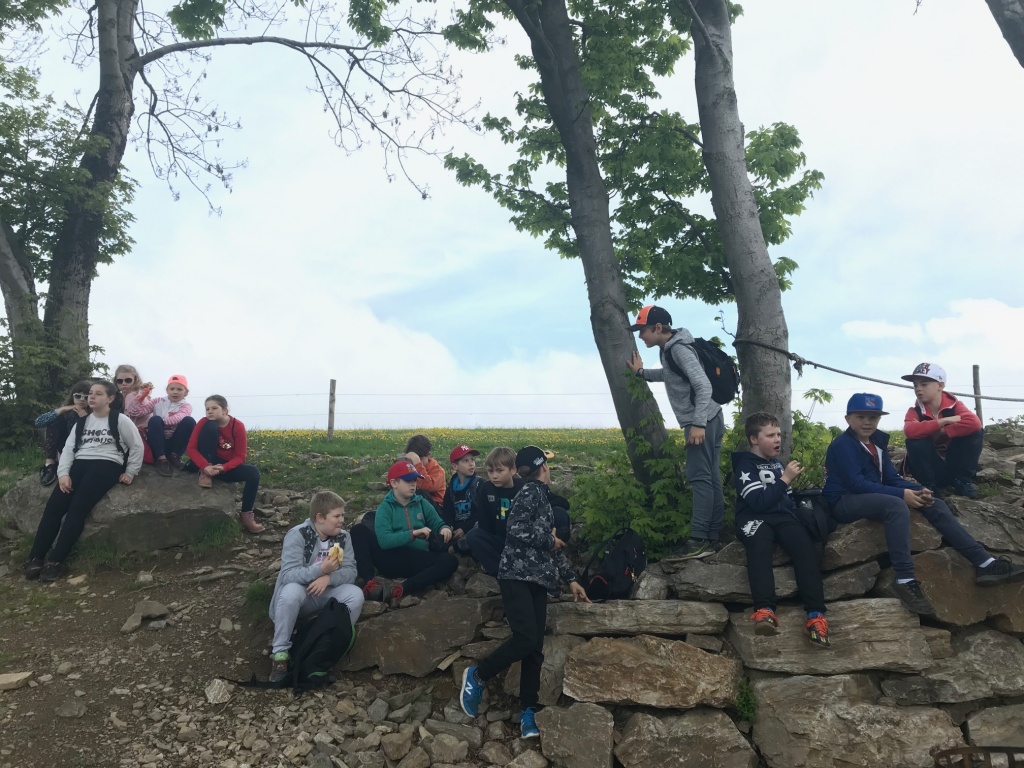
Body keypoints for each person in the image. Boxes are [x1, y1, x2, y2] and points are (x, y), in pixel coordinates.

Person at [824, 393, 1024, 615]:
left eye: (873, 417)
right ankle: (904, 579)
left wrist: (918, 490)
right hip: (843, 500)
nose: (867, 422)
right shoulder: (843, 444)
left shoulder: (877, 442)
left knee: (934, 502)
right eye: (860, 417)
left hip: (871, 496)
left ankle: (985, 563)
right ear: (848, 419)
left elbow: (890, 478)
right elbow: (856, 483)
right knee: (896, 506)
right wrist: (902, 494)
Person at [460, 446, 590, 739]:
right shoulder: (530, 492)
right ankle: (479, 675)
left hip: (538, 579)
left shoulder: (540, 496)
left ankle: (528, 711)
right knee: (526, 638)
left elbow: (550, 546)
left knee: (535, 648)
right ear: (544, 467)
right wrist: (549, 541)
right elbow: (516, 529)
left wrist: (571, 580)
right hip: (516, 575)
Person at [627, 304, 724, 559]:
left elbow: (703, 386)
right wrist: (641, 373)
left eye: (643, 330)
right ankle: (713, 537)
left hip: (701, 421)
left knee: (699, 478)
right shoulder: (671, 349)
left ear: (658, 327)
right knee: (711, 478)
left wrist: (698, 424)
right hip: (712, 417)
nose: (640, 336)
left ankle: (698, 541)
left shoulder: (678, 349)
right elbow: (671, 375)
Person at [23, 380, 143, 581]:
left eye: (98, 394)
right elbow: (69, 449)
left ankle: (55, 560)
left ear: (110, 398)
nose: (91, 397)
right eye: (90, 393)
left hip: (106, 464)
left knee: (77, 509)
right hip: (79, 464)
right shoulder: (83, 422)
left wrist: (130, 472)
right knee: (54, 507)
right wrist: (63, 474)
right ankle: (35, 557)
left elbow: (137, 446)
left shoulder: (120, 420)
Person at [733, 413, 830, 648]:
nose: (777, 439)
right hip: (753, 517)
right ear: (754, 439)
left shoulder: (777, 463)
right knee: (760, 544)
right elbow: (758, 502)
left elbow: (785, 500)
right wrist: (785, 479)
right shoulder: (745, 465)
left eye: (779, 434)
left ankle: (816, 615)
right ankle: (765, 611)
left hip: (782, 518)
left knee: (804, 546)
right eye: (770, 435)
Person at [267, 491, 364, 684]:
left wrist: (328, 578)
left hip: (326, 593)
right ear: (320, 517)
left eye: (343, 515)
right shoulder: (298, 535)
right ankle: (280, 655)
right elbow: (288, 575)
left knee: (355, 594)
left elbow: (351, 571)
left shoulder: (344, 537)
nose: (342, 520)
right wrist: (320, 570)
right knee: (290, 592)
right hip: (301, 594)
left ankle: (324, 653)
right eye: (337, 516)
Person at [466, 446, 572, 576]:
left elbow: (558, 501)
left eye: (499, 471)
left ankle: (547, 560)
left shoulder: (523, 486)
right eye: (490, 471)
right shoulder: (486, 489)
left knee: (559, 513)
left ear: (513, 470)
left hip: (526, 539)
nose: (494, 476)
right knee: (474, 535)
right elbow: (484, 523)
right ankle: (500, 571)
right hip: (502, 540)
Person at [373, 460, 458, 606]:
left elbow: (437, 522)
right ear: (394, 483)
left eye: (415, 480)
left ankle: (403, 588)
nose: (413, 485)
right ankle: (408, 585)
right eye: (408, 481)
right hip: (395, 556)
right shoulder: (385, 508)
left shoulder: (422, 502)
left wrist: (444, 528)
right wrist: (413, 534)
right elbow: (384, 541)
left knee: (450, 561)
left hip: (419, 555)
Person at [902, 362, 984, 500]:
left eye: (924, 384)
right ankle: (929, 486)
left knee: (975, 433)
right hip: (933, 468)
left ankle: (963, 480)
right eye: (915, 385)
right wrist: (943, 421)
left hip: (954, 463)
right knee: (915, 442)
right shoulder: (914, 411)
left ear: (940, 385)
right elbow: (910, 431)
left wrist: (942, 431)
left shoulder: (955, 406)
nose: (918, 389)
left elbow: (974, 423)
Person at [185, 395, 264, 534]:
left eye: (214, 408)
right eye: (207, 409)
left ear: (224, 410)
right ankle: (205, 474)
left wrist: (223, 468)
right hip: (206, 462)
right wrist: (205, 466)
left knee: (253, 473)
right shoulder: (204, 422)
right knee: (210, 426)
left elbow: (240, 456)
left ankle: (246, 514)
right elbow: (191, 449)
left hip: (224, 467)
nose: (210, 411)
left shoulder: (237, 425)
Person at [128, 374, 196, 476]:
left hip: (174, 441)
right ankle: (161, 458)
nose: (175, 392)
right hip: (158, 441)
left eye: (179, 389)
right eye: (172, 389)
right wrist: (141, 396)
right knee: (155, 419)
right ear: (167, 390)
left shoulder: (186, 406)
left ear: (186, 392)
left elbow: (178, 418)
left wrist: (159, 424)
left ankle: (175, 456)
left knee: (189, 421)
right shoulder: (157, 401)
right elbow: (135, 412)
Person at [34, 379, 93, 487]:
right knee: (55, 420)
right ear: (72, 396)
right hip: (64, 446)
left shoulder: (95, 413)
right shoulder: (67, 411)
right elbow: (38, 422)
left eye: (86, 397)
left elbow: (93, 435)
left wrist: (84, 418)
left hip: (84, 449)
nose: (81, 400)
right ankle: (49, 465)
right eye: (78, 396)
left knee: (71, 416)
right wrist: (62, 409)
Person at [443, 444, 483, 546]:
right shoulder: (451, 489)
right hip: (457, 530)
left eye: (472, 460)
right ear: (455, 466)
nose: (471, 464)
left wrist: (464, 529)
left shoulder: (479, 484)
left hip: (474, 528)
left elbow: (482, 512)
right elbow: (448, 512)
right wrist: (449, 526)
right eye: (466, 461)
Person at [404, 434, 446, 512]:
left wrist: (418, 463)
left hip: (436, 507)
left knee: (420, 493)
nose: (415, 462)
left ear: (428, 455)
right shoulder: (411, 468)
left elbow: (426, 486)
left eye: (419, 459)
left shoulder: (438, 471)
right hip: (415, 506)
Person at [116, 364, 154, 433]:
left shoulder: (133, 395)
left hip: (140, 433)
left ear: (135, 380)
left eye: (128, 380)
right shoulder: (137, 393)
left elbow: (127, 420)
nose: (123, 383)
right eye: (120, 381)